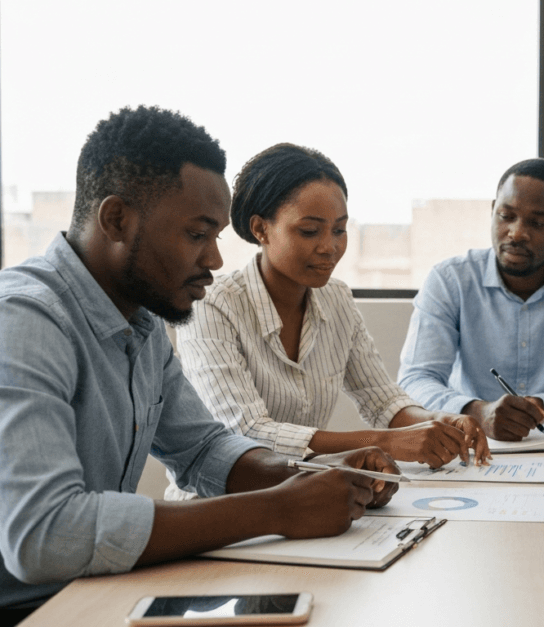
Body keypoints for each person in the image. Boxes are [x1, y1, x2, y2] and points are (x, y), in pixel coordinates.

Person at [0, 107, 399, 619]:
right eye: (197, 234)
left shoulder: (142, 324)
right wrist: (276, 508)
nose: (213, 259)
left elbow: (203, 449)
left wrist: (313, 474)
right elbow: (47, 535)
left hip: (99, 592)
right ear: (117, 219)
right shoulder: (25, 321)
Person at [166, 144, 490, 500]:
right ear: (261, 229)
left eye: (339, 230)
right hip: (221, 506)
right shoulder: (213, 307)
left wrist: (437, 422)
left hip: (302, 498)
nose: (329, 247)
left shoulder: (336, 299)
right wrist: (385, 442)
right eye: (309, 231)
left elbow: (382, 401)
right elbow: (248, 432)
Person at [398, 159, 544, 441]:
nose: (517, 233)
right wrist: (478, 411)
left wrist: (535, 408)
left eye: (537, 222)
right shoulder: (450, 280)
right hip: (472, 447)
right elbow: (414, 383)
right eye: (506, 216)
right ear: (492, 212)